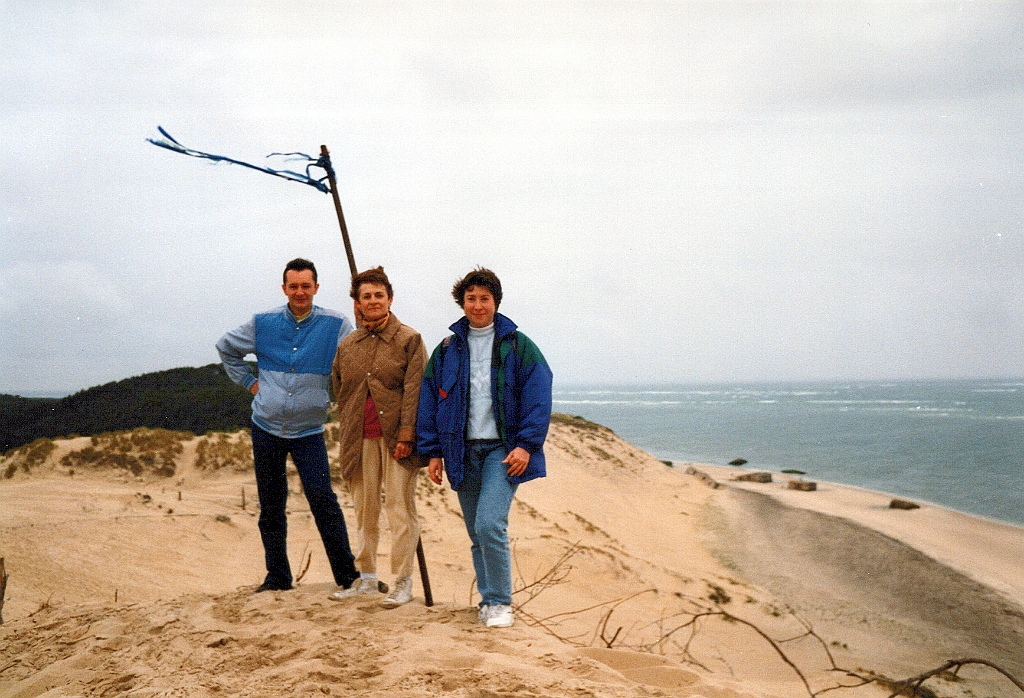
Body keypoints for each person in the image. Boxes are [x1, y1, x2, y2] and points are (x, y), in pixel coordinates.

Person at [417, 268, 552, 628]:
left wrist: (526, 445)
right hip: (462, 451)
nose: (477, 305)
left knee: (490, 524)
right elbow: (430, 400)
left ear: (496, 302)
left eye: (485, 299)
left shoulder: (518, 345)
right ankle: (487, 602)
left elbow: (539, 395)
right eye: (471, 298)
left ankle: (500, 603)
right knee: (476, 532)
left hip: (502, 451)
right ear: (462, 302)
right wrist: (433, 452)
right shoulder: (446, 350)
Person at [216, 258, 359, 593]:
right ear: (284, 288)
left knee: (323, 500)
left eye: (305, 286)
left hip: (309, 431)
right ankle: (277, 577)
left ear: (316, 288)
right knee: (271, 505)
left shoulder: (336, 324)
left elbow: (354, 359)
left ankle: (347, 576)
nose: (299, 292)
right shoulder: (262, 322)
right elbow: (226, 347)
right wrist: (251, 383)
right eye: (293, 286)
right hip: (266, 427)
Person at [328, 267, 427, 608]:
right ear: (357, 302)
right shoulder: (348, 345)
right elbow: (340, 389)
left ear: (390, 299)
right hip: (359, 438)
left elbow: (416, 390)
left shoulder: (409, 339)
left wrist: (407, 434)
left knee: (400, 509)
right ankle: (367, 578)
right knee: (364, 510)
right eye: (365, 296)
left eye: (378, 295)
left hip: (397, 440)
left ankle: (402, 582)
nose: (372, 301)